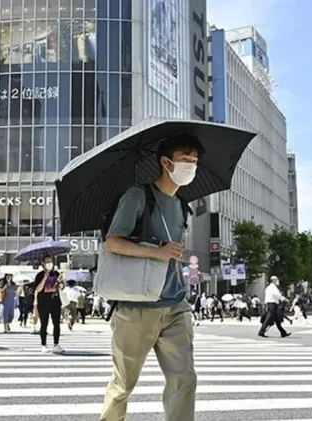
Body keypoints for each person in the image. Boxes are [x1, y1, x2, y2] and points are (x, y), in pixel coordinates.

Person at [100, 137, 200, 421]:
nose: (191, 167)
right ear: (166, 162)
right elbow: (113, 243)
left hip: (175, 304)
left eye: (194, 162)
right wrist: (158, 253)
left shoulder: (182, 204)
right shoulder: (137, 195)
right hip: (137, 306)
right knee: (123, 384)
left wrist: (169, 255)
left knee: (184, 379)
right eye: (186, 160)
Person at [34, 255, 65, 354]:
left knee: (56, 324)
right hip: (43, 303)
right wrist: (45, 278)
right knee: (44, 324)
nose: (49, 263)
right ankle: (43, 345)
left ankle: (56, 344)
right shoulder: (39, 275)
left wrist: (60, 282)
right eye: (47, 261)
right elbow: (38, 289)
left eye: (51, 261)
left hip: (55, 302)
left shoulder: (56, 273)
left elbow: (61, 287)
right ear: (43, 263)